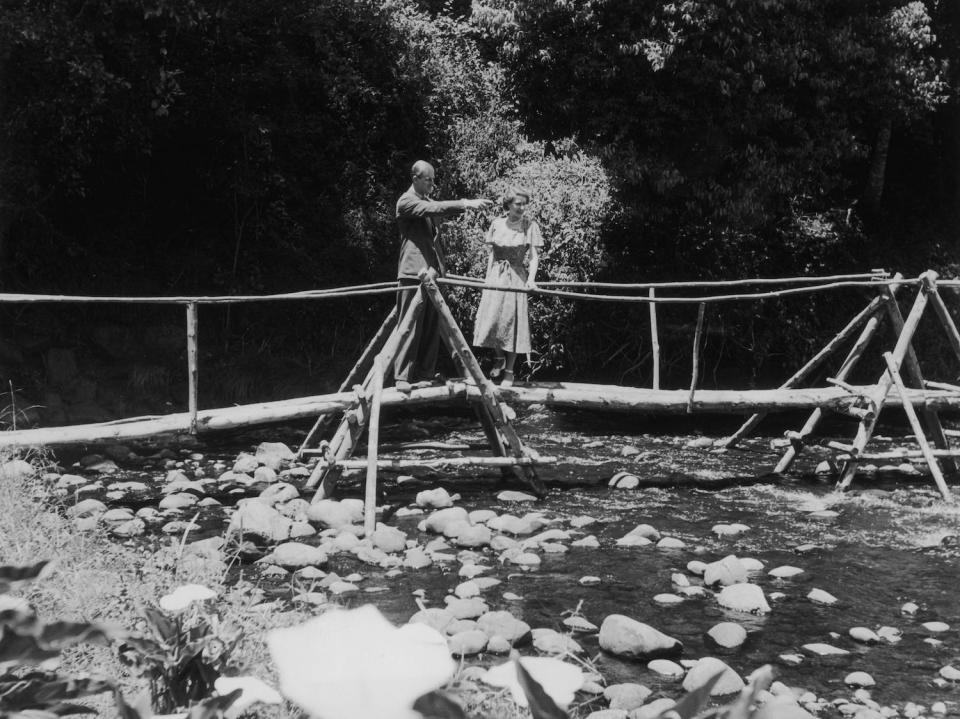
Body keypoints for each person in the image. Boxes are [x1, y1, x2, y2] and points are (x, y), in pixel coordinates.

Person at [394, 160, 492, 392]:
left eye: (433, 179)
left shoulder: (426, 200)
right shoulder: (406, 201)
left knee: (430, 324)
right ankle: (402, 377)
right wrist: (466, 203)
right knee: (409, 326)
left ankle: (424, 373)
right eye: (428, 179)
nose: (432, 183)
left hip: (431, 274)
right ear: (415, 178)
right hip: (411, 272)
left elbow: (436, 210)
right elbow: (436, 209)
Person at [472, 186, 543, 388]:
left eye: (524, 204)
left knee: (512, 322)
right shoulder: (496, 223)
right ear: (508, 205)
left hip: (516, 276)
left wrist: (531, 279)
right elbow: (492, 254)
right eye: (517, 204)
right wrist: (486, 279)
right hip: (496, 275)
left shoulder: (530, 225)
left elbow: (534, 257)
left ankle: (510, 371)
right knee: (492, 318)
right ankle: (499, 358)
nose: (521, 208)